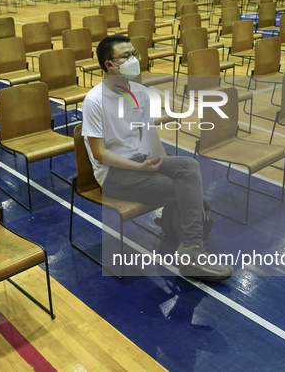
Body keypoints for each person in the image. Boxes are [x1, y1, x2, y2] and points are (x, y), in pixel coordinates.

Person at [81, 34, 233, 282]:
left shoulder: (137, 93)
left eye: (135, 54)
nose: (134, 60)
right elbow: (99, 154)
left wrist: (158, 162)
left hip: (138, 161)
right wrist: (141, 167)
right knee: (180, 188)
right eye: (126, 56)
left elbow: (144, 135)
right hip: (113, 175)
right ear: (109, 64)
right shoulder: (94, 100)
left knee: (188, 165)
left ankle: (190, 247)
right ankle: (192, 253)